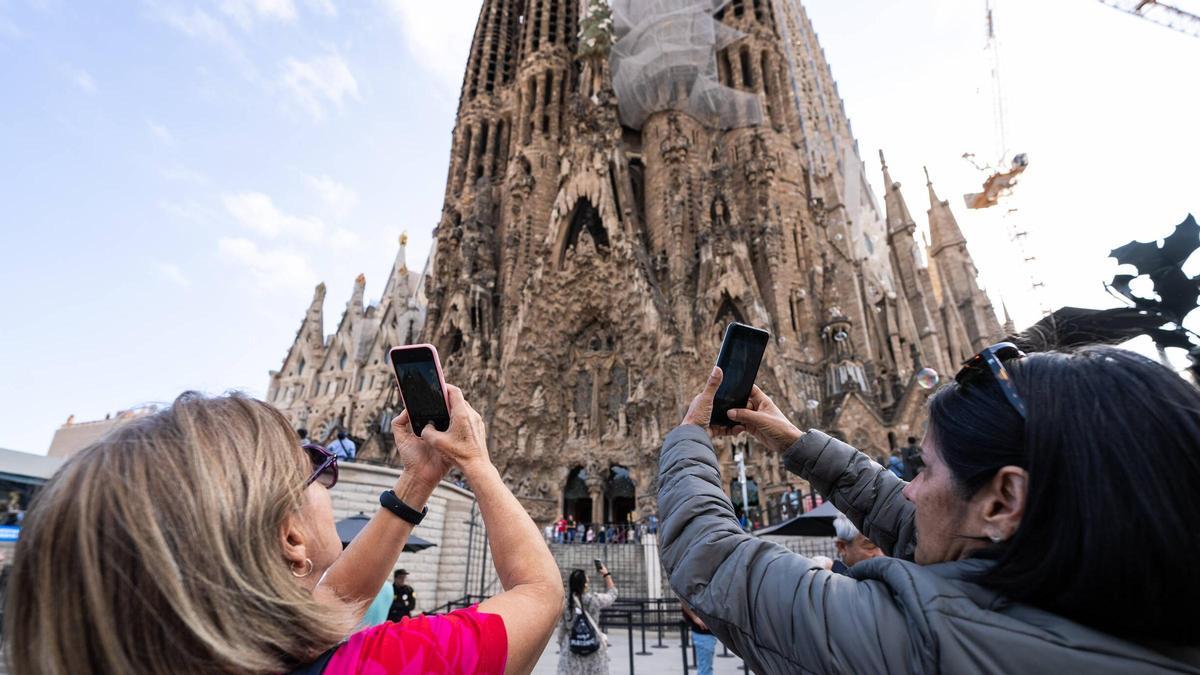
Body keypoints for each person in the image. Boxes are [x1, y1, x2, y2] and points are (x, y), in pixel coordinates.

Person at [658, 345, 1200, 673]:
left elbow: (711, 558)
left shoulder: (924, 645)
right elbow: (916, 519)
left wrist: (689, 436)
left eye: (925, 469)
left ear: (1004, 500)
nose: (909, 489)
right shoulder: (1097, 604)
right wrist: (797, 444)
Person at [6, 385, 563, 674]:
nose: (329, 475)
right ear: (290, 538)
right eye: (317, 466)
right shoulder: (381, 666)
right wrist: (477, 462)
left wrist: (417, 481)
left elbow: (335, 601)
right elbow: (538, 593)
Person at [557, 565, 617, 675]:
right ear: (585, 584)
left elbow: (562, 629)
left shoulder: (566, 604)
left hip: (571, 651)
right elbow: (613, 594)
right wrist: (606, 575)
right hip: (593, 650)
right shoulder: (594, 600)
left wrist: (561, 644)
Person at [681, 602, 716, 675]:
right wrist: (695, 617)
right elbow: (683, 598)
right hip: (703, 630)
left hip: (711, 629)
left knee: (706, 668)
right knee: (705, 669)